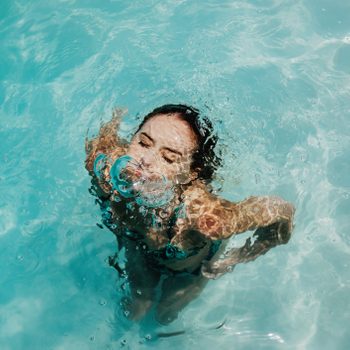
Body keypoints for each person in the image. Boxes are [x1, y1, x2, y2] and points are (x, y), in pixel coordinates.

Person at [85, 104, 295, 324]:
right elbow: (104, 134)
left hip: (187, 270)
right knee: (135, 310)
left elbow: (284, 211)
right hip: (138, 250)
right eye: (143, 142)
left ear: (190, 175)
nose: (145, 161)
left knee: (165, 317)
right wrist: (117, 114)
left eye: (168, 158)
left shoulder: (205, 218)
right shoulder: (105, 168)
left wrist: (242, 255)